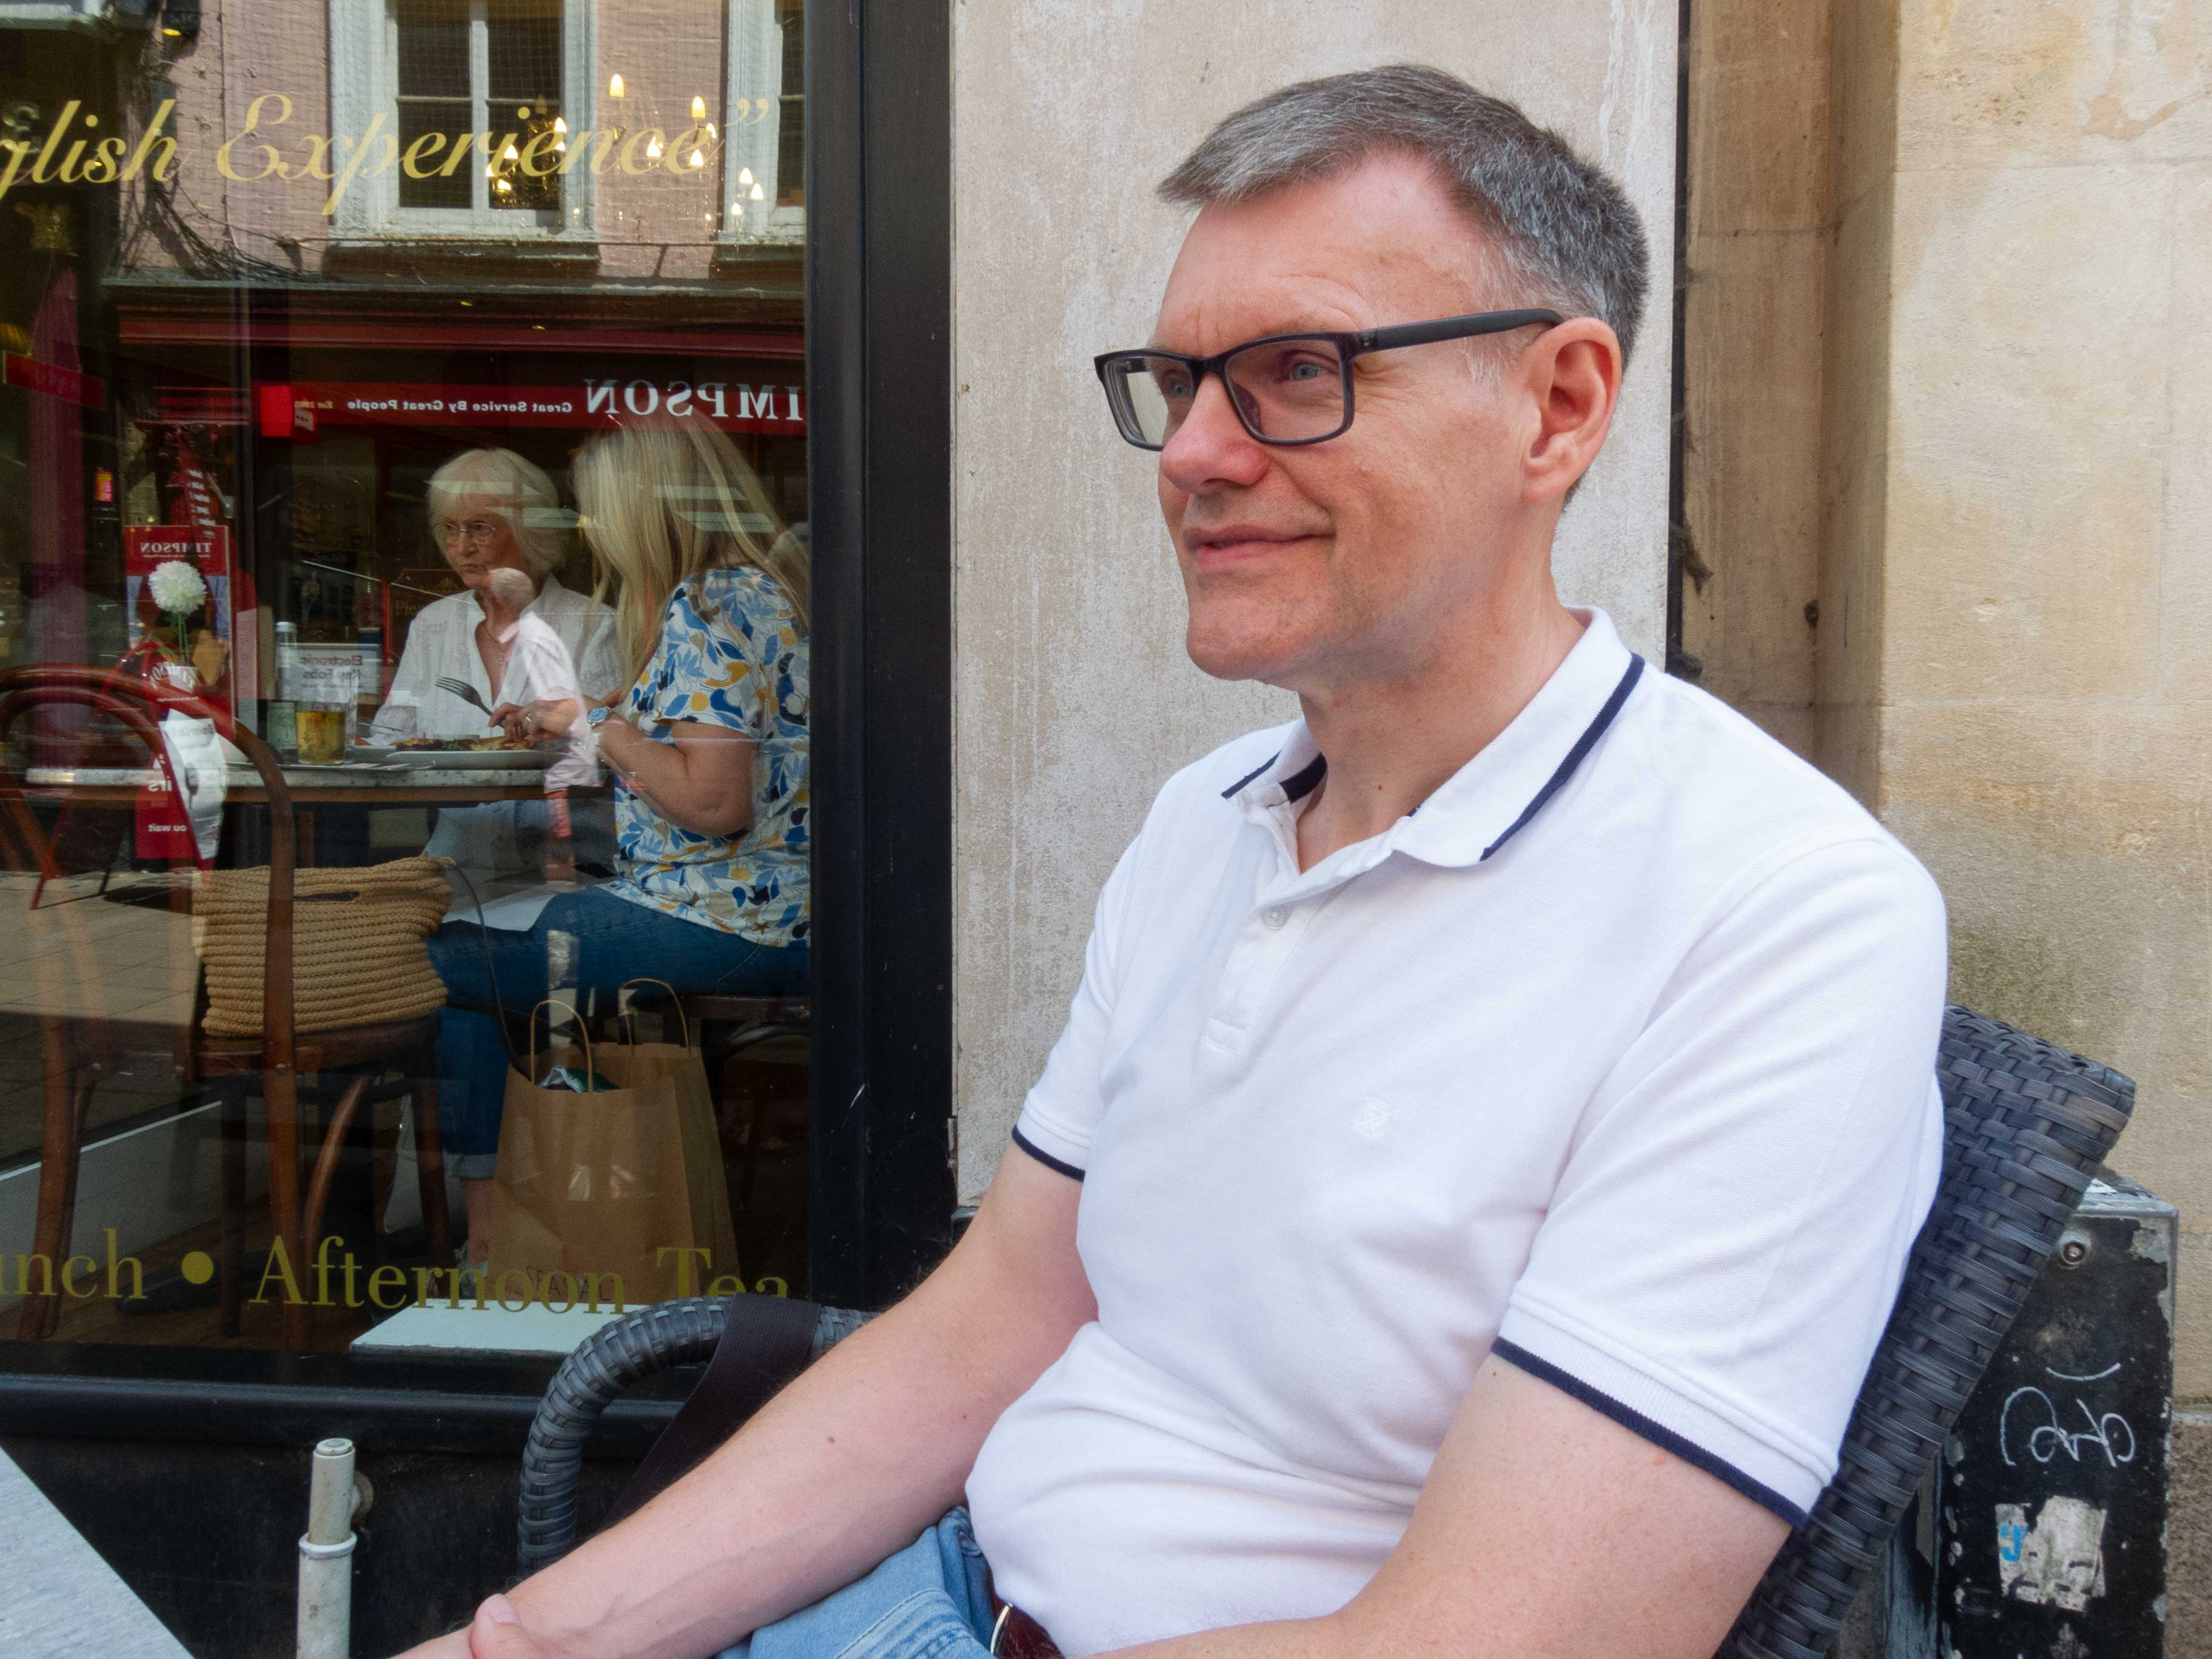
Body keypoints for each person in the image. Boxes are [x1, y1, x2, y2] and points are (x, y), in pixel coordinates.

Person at [400, 66, 1946, 1659]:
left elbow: (1518, 1636)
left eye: (1295, 370)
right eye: (1177, 379)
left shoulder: (1775, 916)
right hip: (931, 1590)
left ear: (1557, 405)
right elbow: (995, 1320)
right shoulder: (1210, 821)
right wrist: (521, 1643)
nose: (1195, 453)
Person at [425, 415, 811, 1272]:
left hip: (722, 920)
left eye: (601, 512)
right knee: (501, 948)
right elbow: (719, 734)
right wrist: (588, 713)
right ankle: (537, 1203)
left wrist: (597, 723)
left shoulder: (701, 604)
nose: (594, 531)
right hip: (793, 916)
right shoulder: (770, 587)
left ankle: (494, 1237)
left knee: (447, 957)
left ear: (643, 511)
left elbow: (713, 801)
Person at [377, 447, 625, 877]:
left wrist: (564, 734)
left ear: (530, 531)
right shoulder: (434, 625)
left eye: (480, 528)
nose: (462, 547)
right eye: (450, 529)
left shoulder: (594, 624)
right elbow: (391, 736)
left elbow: (621, 749)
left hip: (573, 864)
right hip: (455, 866)